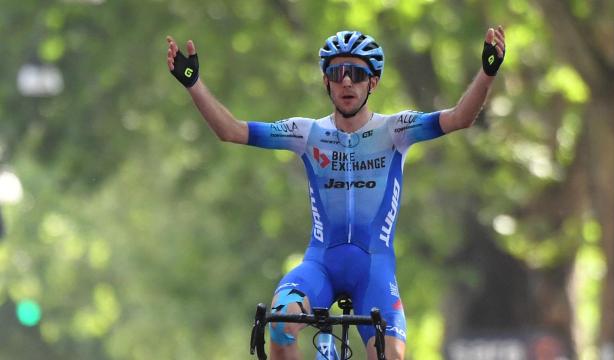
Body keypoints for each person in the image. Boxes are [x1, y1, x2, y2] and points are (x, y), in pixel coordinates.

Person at [166, 26, 506, 360]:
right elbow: (232, 131)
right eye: (337, 72)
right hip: (320, 265)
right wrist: (193, 84)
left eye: (357, 74)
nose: (346, 81)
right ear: (326, 80)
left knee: (391, 357)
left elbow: (460, 117)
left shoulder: (395, 130)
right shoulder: (306, 132)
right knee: (280, 327)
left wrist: (487, 73)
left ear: (372, 82)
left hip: (373, 269)